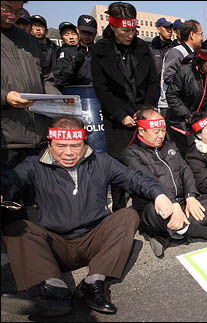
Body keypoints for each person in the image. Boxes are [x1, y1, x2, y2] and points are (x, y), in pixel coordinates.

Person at [1, 116, 176, 316]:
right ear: (49, 143)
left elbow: (134, 178)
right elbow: (10, 180)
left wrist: (159, 194)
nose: (68, 153)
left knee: (128, 215)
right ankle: (52, 289)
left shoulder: (101, 161)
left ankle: (93, 284)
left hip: (94, 241)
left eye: (75, 146)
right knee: (17, 227)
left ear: (84, 143)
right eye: (60, 146)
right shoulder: (34, 164)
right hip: (55, 246)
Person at [120, 109, 207, 257]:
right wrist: (172, 203)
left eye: (163, 130)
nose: (161, 135)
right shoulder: (131, 153)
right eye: (156, 131)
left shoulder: (170, 145)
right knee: (159, 212)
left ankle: (173, 232)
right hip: (155, 205)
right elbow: (147, 181)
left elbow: (185, 169)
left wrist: (190, 196)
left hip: (182, 202)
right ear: (142, 131)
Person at [91, 1, 159, 211]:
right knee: (118, 165)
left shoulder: (142, 48)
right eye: (124, 30)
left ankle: (148, 206)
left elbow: (152, 82)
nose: (130, 35)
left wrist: (145, 110)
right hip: (116, 119)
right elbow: (102, 89)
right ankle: (120, 210)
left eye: (133, 30)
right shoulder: (100, 50)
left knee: (147, 163)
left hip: (141, 114)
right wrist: (120, 115)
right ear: (112, 27)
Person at [1, 0, 61, 172]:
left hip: (38, 134)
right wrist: (5, 96)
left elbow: (46, 78)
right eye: (7, 9)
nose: (13, 16)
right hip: (7, 137)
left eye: (19, 11)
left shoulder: (30, 42)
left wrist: (58, 101)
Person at [166, 39, 207, 156]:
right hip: (184, 123)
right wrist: (188, 115)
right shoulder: (185, 71)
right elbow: (172, 95)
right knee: (188, 155)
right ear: (202, 60)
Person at [157, 19, 203, 112]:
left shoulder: (194, 53)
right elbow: (169, 77)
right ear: (192, 35)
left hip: (185, 106)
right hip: (171, 107)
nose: (202, 38)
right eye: (201, 34)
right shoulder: (176, 52)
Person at [54, 15, 97, 90]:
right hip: (75, 94)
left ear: (96, 33)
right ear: (77, 30)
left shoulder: (100, 51)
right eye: (84, 32)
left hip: (97, 94)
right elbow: (62, 78)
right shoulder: (67, 51)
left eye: (90, 33)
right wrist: (75, 64)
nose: (87, 35)